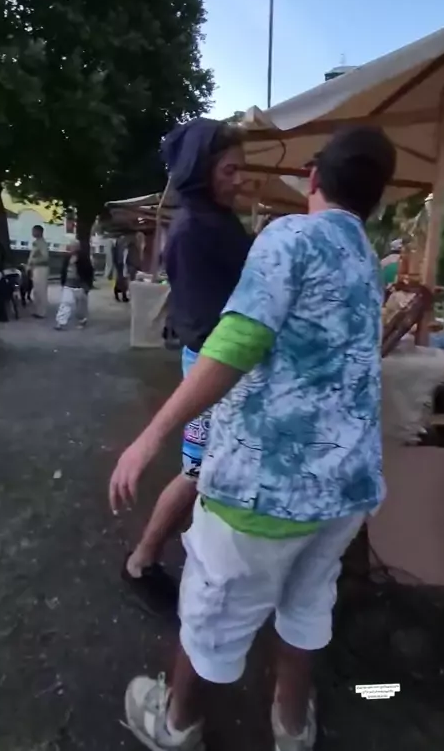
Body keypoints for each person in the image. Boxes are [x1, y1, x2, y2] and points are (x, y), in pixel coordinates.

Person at [109, 125, 397, 751]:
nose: (238, 179)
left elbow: (237, 341)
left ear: (313, 178)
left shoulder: (289, 235)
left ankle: (176, 725)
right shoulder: (366, 256)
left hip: (269, 485)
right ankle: (291, 726)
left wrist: (151, 434)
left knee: (214, 614)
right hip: (347, 488)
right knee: (306, 601)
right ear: (375, 199)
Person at [120, 118, 251, 614]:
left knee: (207, 471)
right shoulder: (194, 230)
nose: (241, 179)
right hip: (210, 371)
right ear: (200, 170)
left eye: (242, 169)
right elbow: (201, 326)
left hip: (223, 369)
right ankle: (142, 560)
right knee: (196, 472)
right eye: (230, 170)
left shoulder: (217, 218)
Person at [55, 241, 94, 329]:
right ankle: (61, 322)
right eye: (70, 246)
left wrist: (87, 285)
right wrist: (63, 282)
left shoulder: (84, 258)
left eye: (72, 246)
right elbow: (63, 271)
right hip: (68, 284)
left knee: (81, 306)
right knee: (65, 302)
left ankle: (82, 320)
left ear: (77, 247)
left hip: (80, 285)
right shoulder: (67, 258)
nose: (70, 248)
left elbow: (89, 272)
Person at [27, 224, 50, 318]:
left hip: (41, 268)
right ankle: (38, 310)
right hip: (36, 269)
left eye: (34, 231)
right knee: (36, 291)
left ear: (39, 232)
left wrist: (34, 261)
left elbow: (45, 257)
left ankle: (42, 312)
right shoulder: (36, 243)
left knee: (41, 290)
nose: (32, 233)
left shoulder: (42, 244)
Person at [113, 235, 129, 302]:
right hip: (120, 264)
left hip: (121, 264)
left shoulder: (121, 247)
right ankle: (123, 295)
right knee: (122, 280)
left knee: (121, 280)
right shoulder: (118, 247)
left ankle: (120, 294)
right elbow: (117, 257)